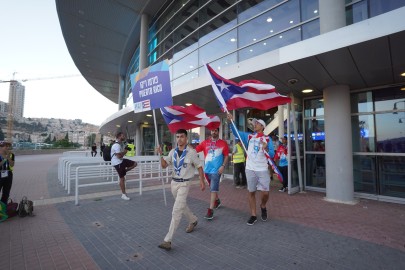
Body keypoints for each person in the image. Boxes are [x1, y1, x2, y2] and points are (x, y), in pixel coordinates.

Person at [156, 129, 205, 251]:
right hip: (174, 183)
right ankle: (193, 220)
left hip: (184, 184)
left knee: (176, 210)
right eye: (177, 137)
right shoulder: (173, 152)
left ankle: (168, 240)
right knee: (182, 206)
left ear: (186, 138)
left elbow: (199, 166)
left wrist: (202, 181)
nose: (179, 139)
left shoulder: (191, 152)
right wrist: (160, 154)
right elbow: (164, 165)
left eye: (182, 136)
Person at [227, 114, 275, 225]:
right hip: (250, 168)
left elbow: (272, 154)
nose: (255, 125)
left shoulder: (267, 139)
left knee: (265, 193)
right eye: (255, 123)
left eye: (257, 123)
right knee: (251, 192)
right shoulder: (249, 136)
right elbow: (236, 133)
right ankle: (253, 215)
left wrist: (266, 147)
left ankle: (263, 205)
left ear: (262, 126)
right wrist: (231, 122)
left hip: (262, 169)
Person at [195, 128, 229, 220]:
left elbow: (226, 156)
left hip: (216, 171)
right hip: (207, 171)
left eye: (216, 131)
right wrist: (186, 147)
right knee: (212, 188)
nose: (214, 132)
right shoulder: (205, 143)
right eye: (213, 130)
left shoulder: (223, 143)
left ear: (218, 132)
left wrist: (223, 166)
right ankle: (217, 201)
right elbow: (195, 150)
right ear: (211, 131)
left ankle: (210, 210)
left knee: (213, 189)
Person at [111, 132, 137, 200]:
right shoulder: (116, 145)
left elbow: (120, 155)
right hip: (118, 163)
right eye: (123, 135)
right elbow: (119, 156)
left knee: (135, 164)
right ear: (119, 136)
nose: (124, 136)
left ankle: (124, 170)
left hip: (121, 161)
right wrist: (125, 151)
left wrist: (126, 149)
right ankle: (123, 194)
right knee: (122, 179)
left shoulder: (119, 144)